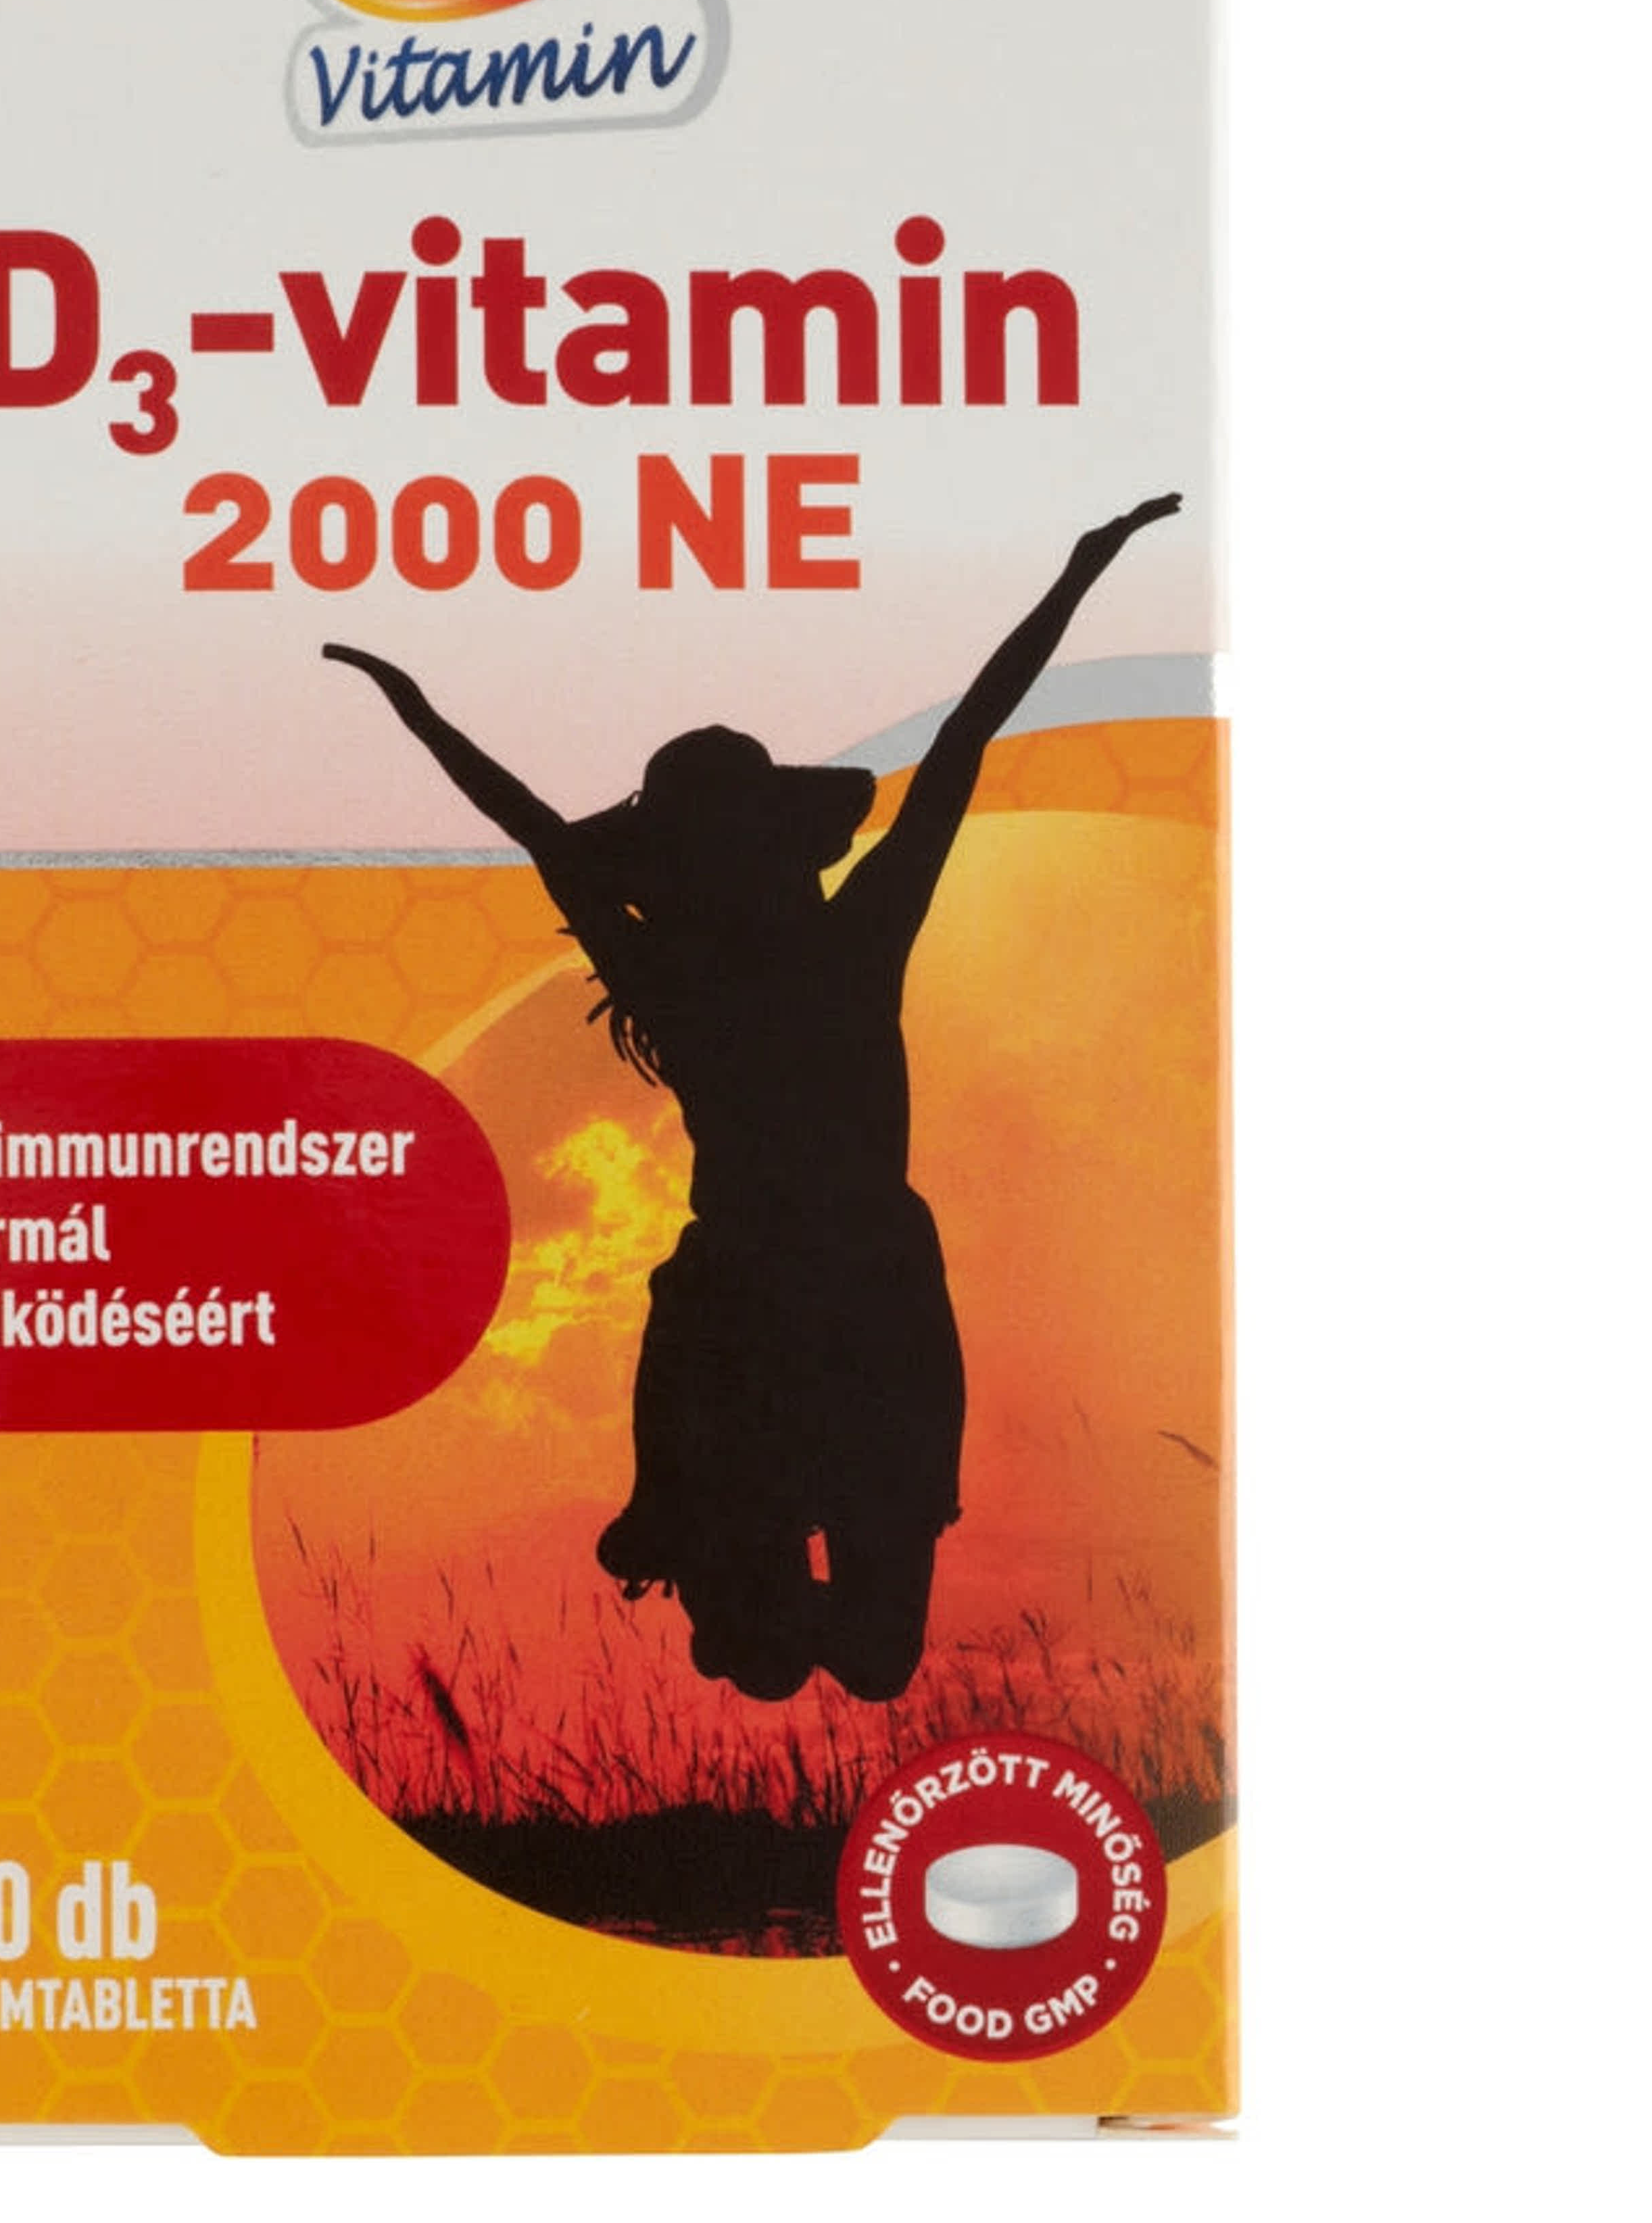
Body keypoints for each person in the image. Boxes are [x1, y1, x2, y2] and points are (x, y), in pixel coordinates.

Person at [325, 493, 1180, 1701]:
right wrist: (418, 714)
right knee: (800, 1661)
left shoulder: (750, 963)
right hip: (796, 1294)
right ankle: (722, 1558)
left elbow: (957, 747)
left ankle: (720, 1552)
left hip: (829, 1291)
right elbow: (959, 745)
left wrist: (1079, 576)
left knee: (857, 1663)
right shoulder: (787, 955)